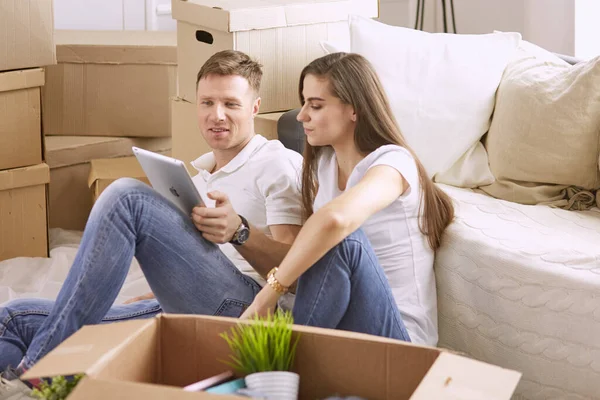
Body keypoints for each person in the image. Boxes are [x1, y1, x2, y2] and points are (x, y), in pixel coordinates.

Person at [0, 50, 304, 383]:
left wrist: (239, 232)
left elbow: (295, 274)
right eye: (207, 103)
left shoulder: (275, 163)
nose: (217, 115)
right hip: (189, 305)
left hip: (247, 311)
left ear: (254, 108)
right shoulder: (203, 175)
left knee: (127, 197)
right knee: (13, 320)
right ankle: (34, 387)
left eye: (231, 104)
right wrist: (166, 284)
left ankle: (39, 371)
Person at [240, 52, 454, 347]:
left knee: (342, 238)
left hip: (400, 342)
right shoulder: (324, 166)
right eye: (304, 103)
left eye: (315, 105)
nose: (302, 115)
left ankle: (285, 362)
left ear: (354, 109)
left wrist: (270, 293)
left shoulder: (393, 164)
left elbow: (337, 221)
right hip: (346, 327)